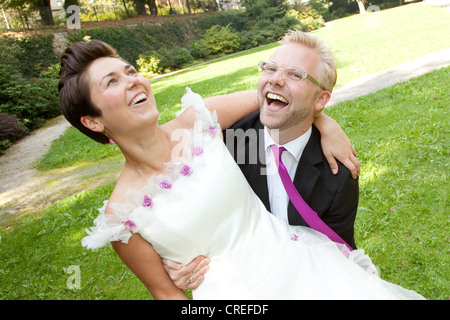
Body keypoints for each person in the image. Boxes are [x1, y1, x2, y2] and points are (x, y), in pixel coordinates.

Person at [59, 38, 424, 299]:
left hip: (305, 270)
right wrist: (177, 278)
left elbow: (280, 101)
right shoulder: (120, 217)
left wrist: (326, 123)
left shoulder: (199, 120)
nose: (134, 80)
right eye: (112, 82)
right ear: (93, 122)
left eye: (130, 70)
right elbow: (166, 294)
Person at [163, 31, 361, 290]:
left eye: (295, 74)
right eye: (270, 68)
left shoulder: (336, 172)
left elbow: (338, 253)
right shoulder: (229, 141)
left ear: (321, 99)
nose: (276, 79)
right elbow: (187, 205)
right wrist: (178, 265)